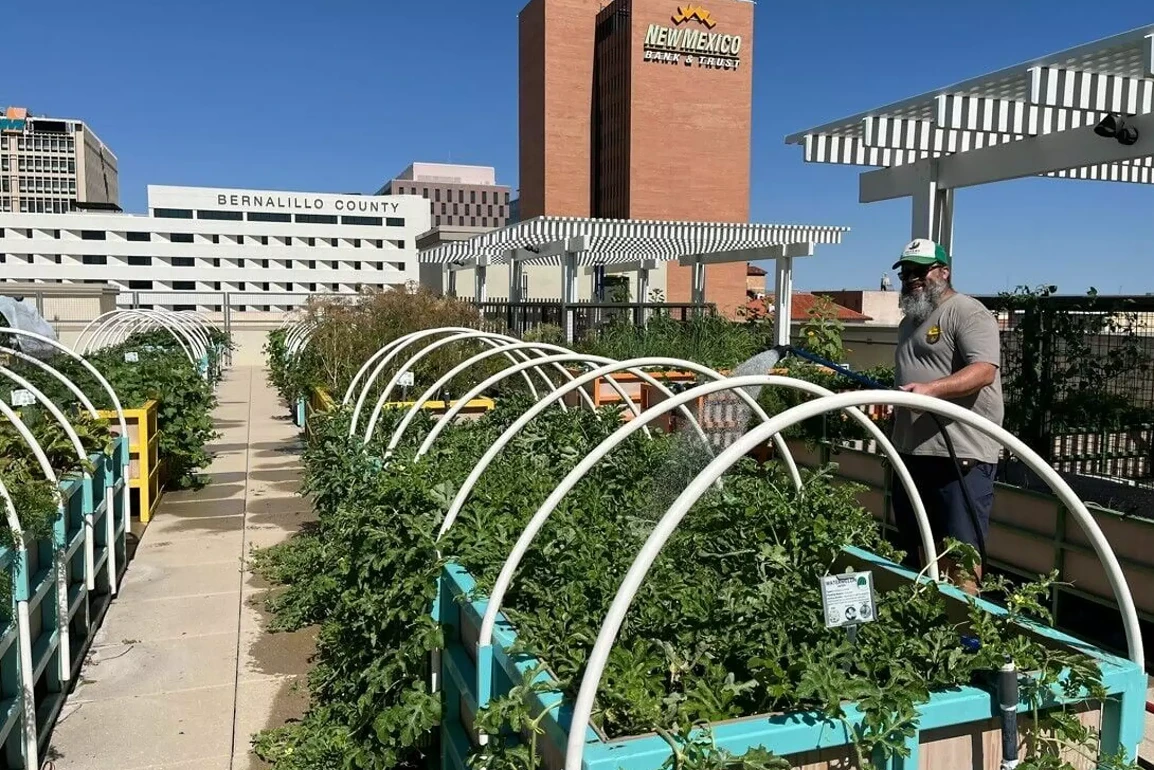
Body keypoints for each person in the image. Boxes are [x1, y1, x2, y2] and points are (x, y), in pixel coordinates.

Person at [888, 238, 1004, 593]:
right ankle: (925, 616)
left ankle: (965, 623)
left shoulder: (967, 312)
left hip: (959, 456)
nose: (911, 278)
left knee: (961, 553)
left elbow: (984, 371)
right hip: (912, 453)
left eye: (920, 271)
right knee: (919, 546)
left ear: (944, 272)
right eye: (906, 272)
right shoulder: (909, 322)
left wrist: (930, 390)